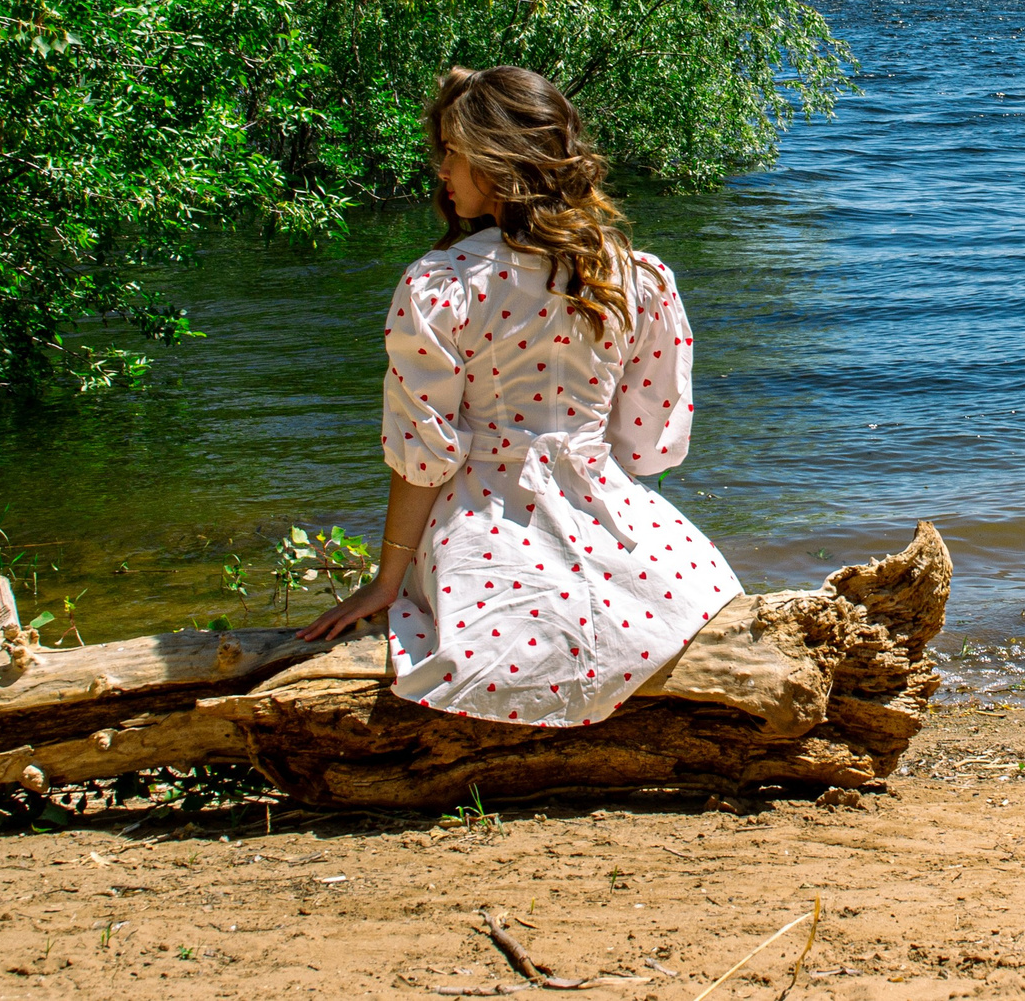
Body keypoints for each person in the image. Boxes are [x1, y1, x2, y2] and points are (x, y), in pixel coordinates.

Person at [297, 65, 741, 727]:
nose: (441, 169)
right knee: (664, 606)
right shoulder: (631, 277)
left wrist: (388, 581)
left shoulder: (441, 285)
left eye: (453, 151)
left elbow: (425, 454)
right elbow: (648, 447)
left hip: (486, 521)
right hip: (612, 513)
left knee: (477, 621)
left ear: (498, 162)